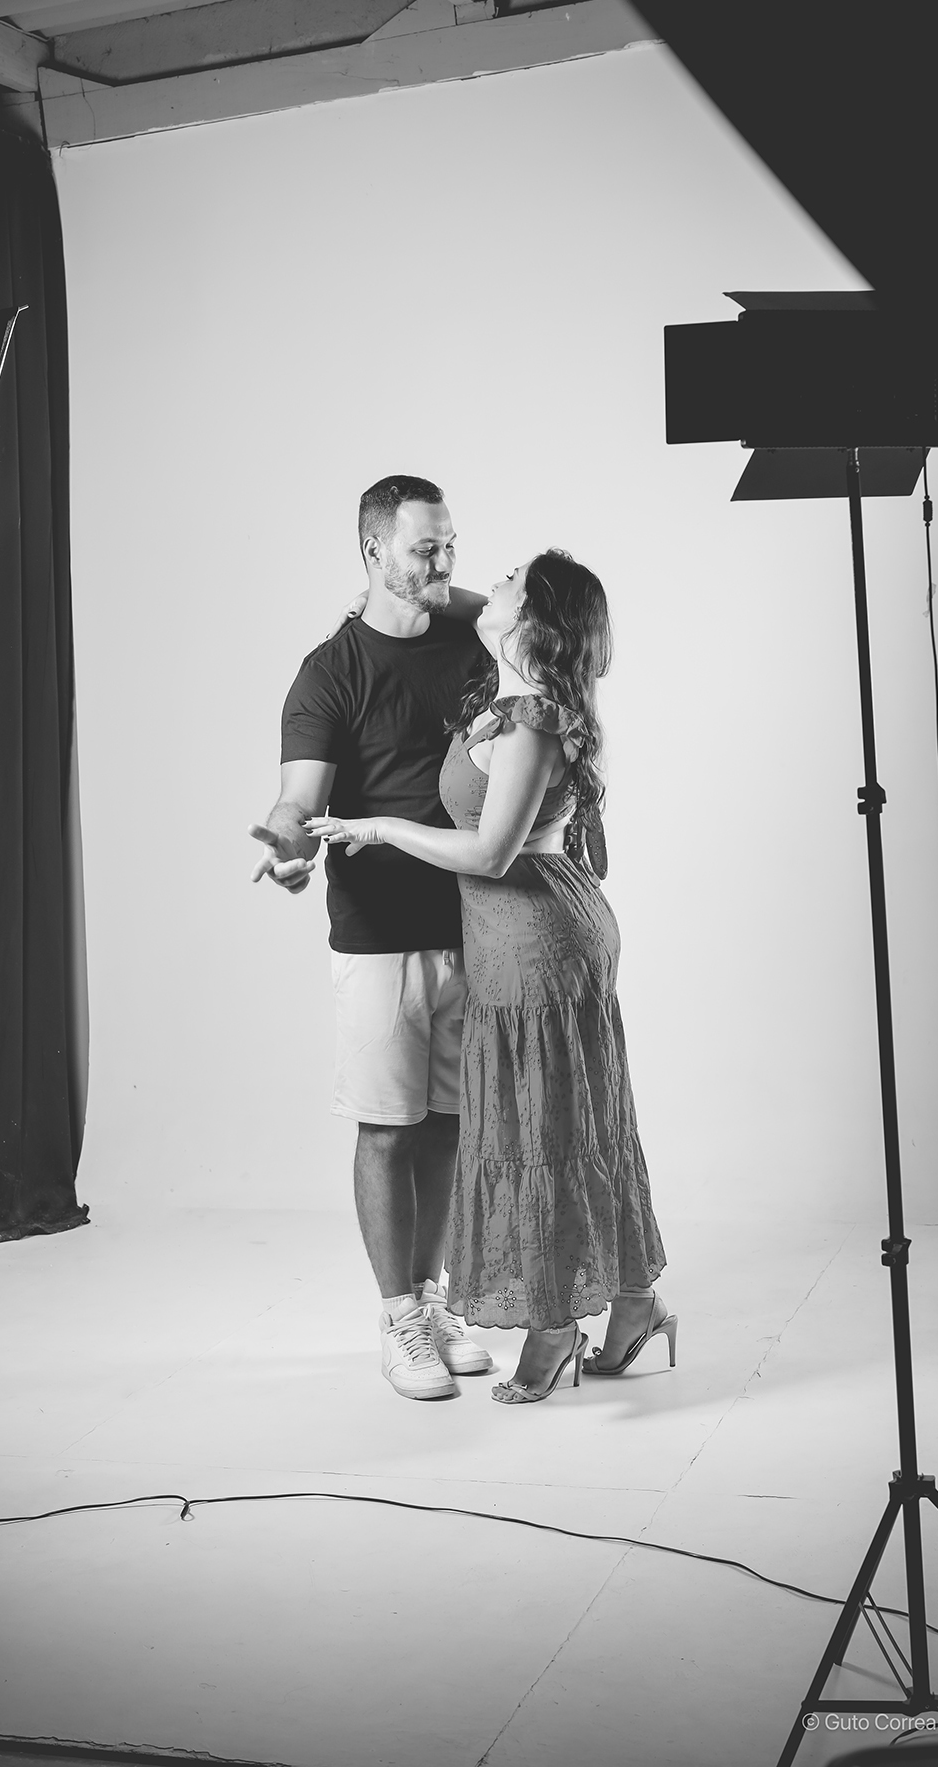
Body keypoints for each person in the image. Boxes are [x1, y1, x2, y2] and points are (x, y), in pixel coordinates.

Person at [307, 549, 673, 1404]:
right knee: (570, 1121)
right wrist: (392, 586)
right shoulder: (515, 702)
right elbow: (470, 603)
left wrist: (378, 828)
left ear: (534, 620)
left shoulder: (531, 721)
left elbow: (490, 853)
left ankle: (554, 1326)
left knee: (545, 1129)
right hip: (525, 933)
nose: (491, 580)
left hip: (535, 937)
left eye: (512, 578)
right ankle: (633, 1305)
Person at [249, 475, 494, 1400]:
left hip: (475, 919)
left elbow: (508, 607)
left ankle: (434, 1301)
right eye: (425, 548)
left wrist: (448, 591)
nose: (444, 561)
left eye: (449, 543)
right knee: (389, 1130)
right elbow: (296, 800)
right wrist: (286, 848)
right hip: (379, 934)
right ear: (372, 552)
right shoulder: (330, 672)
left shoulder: (471, 638)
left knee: (450, 1126)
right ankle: (398, 1318)